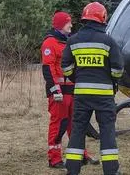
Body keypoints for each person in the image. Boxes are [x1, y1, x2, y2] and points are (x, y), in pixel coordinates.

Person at [62, 2, 123, 175]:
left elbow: (65, 66)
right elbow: (118, 69)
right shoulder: (109, 41)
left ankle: (72, 170)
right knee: (107, 131)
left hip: (81, 94)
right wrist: (111, 80)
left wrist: (77, 78)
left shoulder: (73, 40)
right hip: (104, 95)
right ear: (103, 18)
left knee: (78, 130)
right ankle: (111, 171)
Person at [41, 11, 99, 168]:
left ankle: (81, 155)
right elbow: (48, 69)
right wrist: (55, 91)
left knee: (77, 124)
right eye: (68, 22)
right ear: (61, 25)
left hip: (72, 91)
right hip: (59, 93)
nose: (71, 25)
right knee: (58, 125)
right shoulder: (50, 43)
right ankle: (54, 159)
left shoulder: (69, 42)